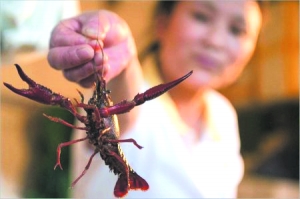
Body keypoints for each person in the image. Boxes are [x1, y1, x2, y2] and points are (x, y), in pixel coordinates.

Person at [47, 1, 263, 198]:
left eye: (237, 30)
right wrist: (120, 60)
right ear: (162, 23)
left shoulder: (223, 114)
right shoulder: (123, 93)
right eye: (202, 17)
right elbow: (124, 98)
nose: (215, 41)